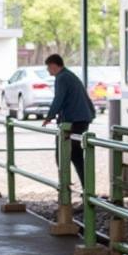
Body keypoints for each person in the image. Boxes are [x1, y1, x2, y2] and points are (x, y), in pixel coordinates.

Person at [42, 54, 96, 184]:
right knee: (75, 154)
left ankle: (67, 187)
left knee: (64, 153)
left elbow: (59, 99)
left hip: (73, 121)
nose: (48, 70)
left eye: (48, 67)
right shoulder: (69, 76)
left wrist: (49, 116)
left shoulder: (62, 78)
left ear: (54, 65)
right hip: (81, 118)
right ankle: (84, 187)